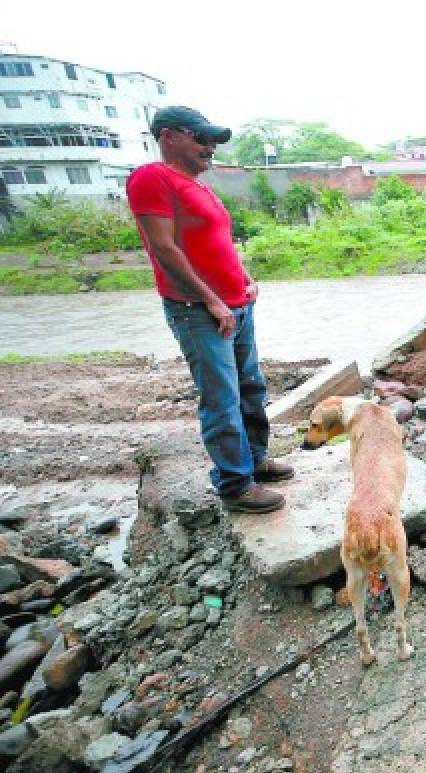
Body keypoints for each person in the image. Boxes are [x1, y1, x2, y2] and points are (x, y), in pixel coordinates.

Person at [126, 106, 293, 514]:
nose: (210, 148)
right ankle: (235, 485)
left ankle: (253, 461)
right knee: (222, 397)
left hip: (235, 305)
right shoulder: (152, 178)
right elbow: (163, 248)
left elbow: (218, 244)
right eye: (201, 139)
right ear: (169, 137)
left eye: (213, 141)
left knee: (251, 388)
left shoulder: (199, 186)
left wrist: (244, 279)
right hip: (197, 309)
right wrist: (211, 300)